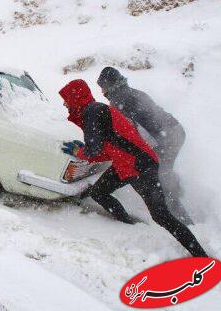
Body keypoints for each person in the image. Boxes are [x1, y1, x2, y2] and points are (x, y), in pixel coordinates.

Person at [59, 79, 207, 257]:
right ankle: (127, 225)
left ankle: (201, 256)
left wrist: (79, 151)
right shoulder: (95, 110)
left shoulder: (92, 112)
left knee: (161, 216)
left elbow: (94, 149)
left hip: (139, 166)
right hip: (126, 164)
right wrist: (84, 151)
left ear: (75, 98)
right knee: (99, 192)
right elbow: (107, 150)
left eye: (66, 99)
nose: (64, 103)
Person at [97, 67, 191, 223]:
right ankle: (178, 193)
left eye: (103, 87)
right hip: (176, 132)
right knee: (164, 171)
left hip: (166, 139)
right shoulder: (133, 92)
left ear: (108, 84)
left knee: (160, 177)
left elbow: (129, 132)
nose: (102, 92)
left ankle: (184, 220)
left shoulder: (118, 100)